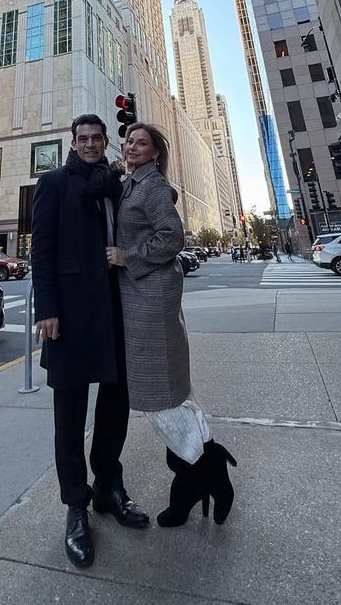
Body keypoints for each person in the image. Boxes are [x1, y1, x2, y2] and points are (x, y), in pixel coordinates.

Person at [31, 114, 149, 570]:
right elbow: (41, 249)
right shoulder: (55, 183)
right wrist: (47, 310)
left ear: (106, 142)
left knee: (116, 402)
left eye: (98, 139)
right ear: (73, 142)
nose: (90, 145)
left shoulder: (118, 185)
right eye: (83, 139)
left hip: (116, 309)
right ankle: (76, 506)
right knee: (70, 412)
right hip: (71, 314)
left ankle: (108, 487)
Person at [106, 122, 237, 527]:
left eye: (141, 143)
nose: (132, 147)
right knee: (167, 391)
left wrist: (127, 256)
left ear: (156, 152)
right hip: (139, 297)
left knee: (159, 392)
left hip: (152, 297)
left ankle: (208, 473)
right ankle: (196, 479)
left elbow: (172, 238)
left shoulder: (154, 188)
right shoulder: (131, 183)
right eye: (129, 141)